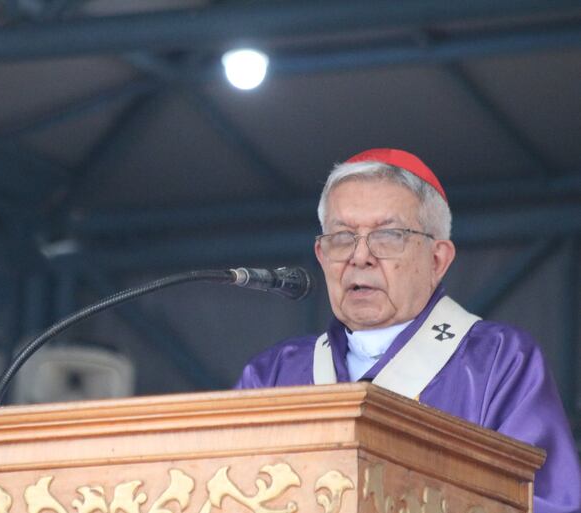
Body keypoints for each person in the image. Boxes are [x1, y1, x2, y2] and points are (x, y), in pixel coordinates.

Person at [236, 148, 581, 513]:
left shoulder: (496, 361)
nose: (360, 256)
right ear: (321, 255)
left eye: (387, 236)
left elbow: (545, 502)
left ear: (438, 259)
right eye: (342, 237)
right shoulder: (274, 374)